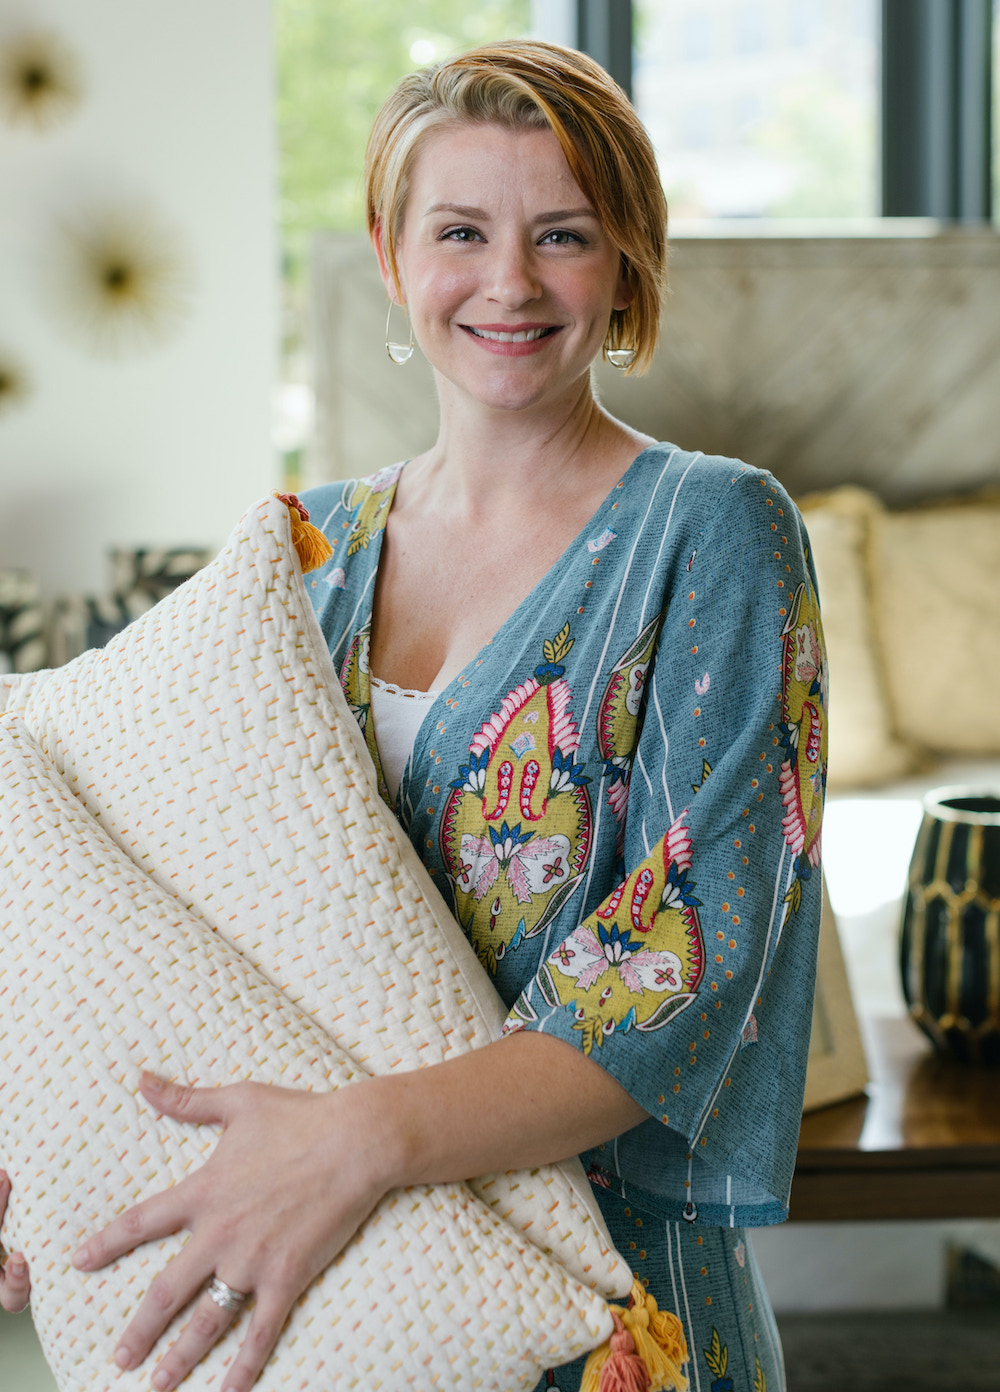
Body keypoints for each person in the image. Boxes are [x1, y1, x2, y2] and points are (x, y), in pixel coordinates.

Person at [0, 40, 826, 1392]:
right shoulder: (294, 555)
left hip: (609, 1320)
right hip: (324, 1313)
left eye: (562, 235)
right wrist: (37, 1137)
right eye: (462, 231)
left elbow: (684, 963)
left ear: (626, 261)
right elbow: (122, 890)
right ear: (391, 255)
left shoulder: (717, 532)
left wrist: (352, 1140)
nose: (509, 281)